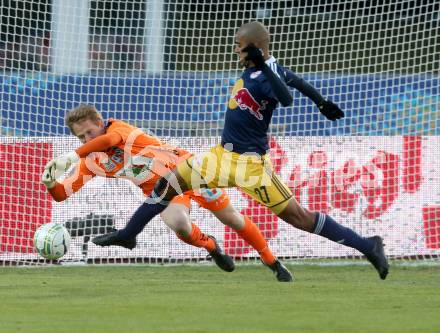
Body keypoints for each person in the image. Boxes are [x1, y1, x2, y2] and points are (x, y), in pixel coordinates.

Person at [58, 21, 389, 280]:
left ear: (254, 48)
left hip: (250, 164)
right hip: (222, 155)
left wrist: (275, 75)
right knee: (168, 182)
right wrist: (321, 102)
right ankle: (128, 235)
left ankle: (367, 246)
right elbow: (297, 82)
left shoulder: (264, 73)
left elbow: (285, 97)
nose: (235, 51)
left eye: (239, 46)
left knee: (297, 217)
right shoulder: (264, 66)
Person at [42, 104, 293, 282]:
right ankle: (212, 247)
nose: (86, 139)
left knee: (232, 219)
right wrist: (51, 182)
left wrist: (74, 154)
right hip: (162, 192)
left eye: (89, 132)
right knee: (179, 224)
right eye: (80, 137)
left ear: (100, 122)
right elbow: (62, 194)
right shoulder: (91, 161)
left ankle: (272, 261)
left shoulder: (119, 130)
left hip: (189, 171)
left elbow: (108, 141)